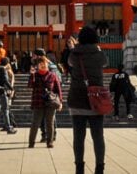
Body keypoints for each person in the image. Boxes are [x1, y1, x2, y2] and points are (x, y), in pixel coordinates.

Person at [67, 26, 107, 174]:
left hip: (77, 98)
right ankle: (99, 168)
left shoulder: (74, 55)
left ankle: (79, 168)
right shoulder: (99, 54)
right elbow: (105, 63)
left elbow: (70, 64)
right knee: (98, 136)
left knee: (78, 137)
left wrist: (76, 46)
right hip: (96, 100)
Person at [27, 55, 61, 149]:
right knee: (35, 123)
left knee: (50, 123)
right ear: (37, 65)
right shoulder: (35, 74)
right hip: (38, 102)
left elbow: (58, 89)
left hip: (50, 103)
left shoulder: (52, 75)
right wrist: (32, 75)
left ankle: (50, 142)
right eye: (40, 63)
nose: (42, 65)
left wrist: (60, 102)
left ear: (47, 64)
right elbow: (30, 86)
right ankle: (31, 142)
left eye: (44, 63)